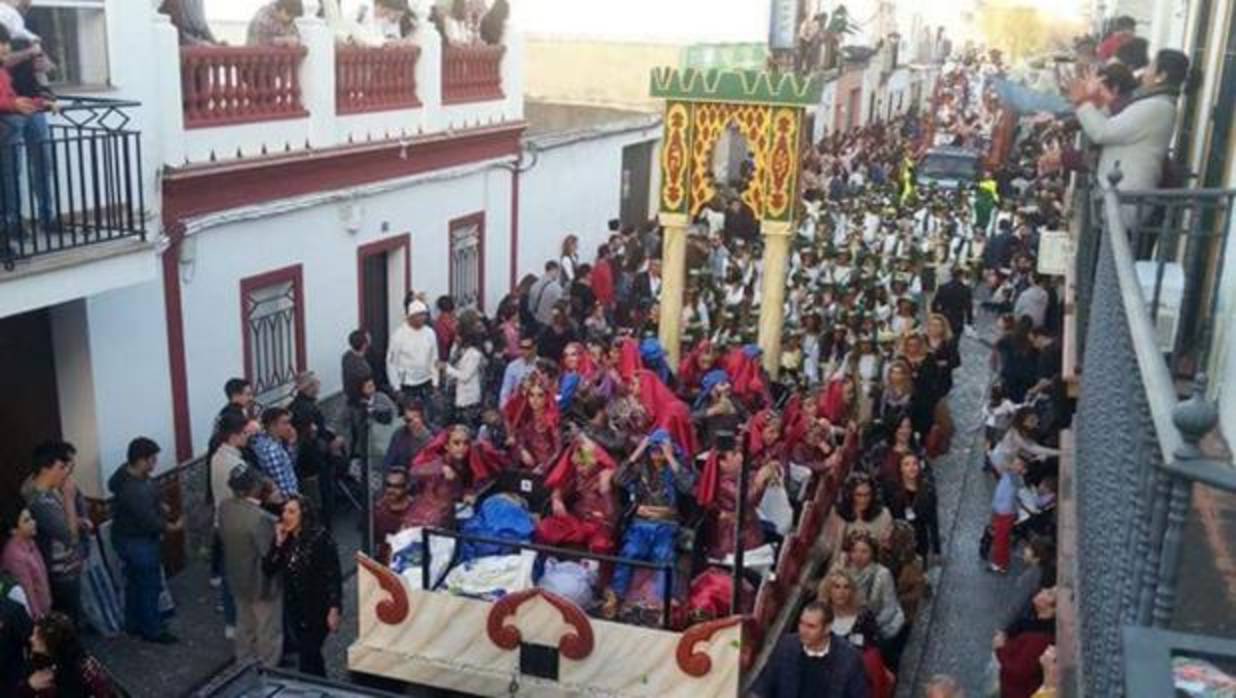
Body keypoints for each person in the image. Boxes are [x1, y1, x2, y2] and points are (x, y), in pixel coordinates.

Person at [1070, 49, 1189, 202]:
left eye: (1150, 67)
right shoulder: (1155, 103)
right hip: (1121, 195)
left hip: (1126, 198)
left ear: (1161, 76)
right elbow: (1112, 122)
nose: (1145, 72)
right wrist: (1093, 101)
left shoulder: (1156, 107)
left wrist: (1082, 102)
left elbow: (1102, 132)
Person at [604, 431, 696, 618]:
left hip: (666, 524)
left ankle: (661, 604)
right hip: (640, 524)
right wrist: (638, 451)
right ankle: (617, 595)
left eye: (660, 449)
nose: (656, 453)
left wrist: (670, 456)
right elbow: (619, 479)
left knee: (663, 555)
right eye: (653, 449)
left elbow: (687, 485)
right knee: (630, 551)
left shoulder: (675, 468)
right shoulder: (640, 469)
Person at [108, 438, 180, 644]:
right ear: (140, 461)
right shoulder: (133, 489)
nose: (154, 464)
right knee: (149, 585)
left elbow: (151, 496)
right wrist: (172, 527)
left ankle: (134, 624)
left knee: (135, 584)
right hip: (137, 542)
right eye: (152, 460)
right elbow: (149, 520)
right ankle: (152, 629)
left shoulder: (126, 474)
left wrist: (159, 504)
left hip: (126, 538)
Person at [263, 495, 342, 677]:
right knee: (309, 655)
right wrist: (278, 544)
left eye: (291, 511)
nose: (285, 516)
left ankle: (315, 687)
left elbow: (333, 574)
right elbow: (268, 569)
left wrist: (334, 607)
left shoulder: (320, 539)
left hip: (317, 607)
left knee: (309, 654)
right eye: (284, 511)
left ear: (303, 515)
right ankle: (317, 687)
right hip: (296, 608)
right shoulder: (286, 539)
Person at [218, 466, 282, 668]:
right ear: (254, 487)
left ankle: (244, 663)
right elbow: (269, 553)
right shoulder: (260, 518)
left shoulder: (225, 507)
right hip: (261, 582)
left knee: (244, 625)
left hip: (237, 577)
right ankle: (268, 670)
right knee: (267, 629)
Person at [750, 601, 869, 698]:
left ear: (827, 628)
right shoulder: (786, 646)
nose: (803, 631)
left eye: (811, 626)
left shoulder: (848, 658)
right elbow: (763, 686)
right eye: (801, 623)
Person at [24, 442, 84, 626]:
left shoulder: (41, 487)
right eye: (62, 466)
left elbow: (64, 522)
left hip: (65, 567)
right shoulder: (41, 502)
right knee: (68, 620)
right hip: (61, 571)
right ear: (45, 467)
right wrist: (68, 498)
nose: (66, 471)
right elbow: (71, 538)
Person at [17, 612, 115, 697]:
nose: (31, 639)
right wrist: (29, 686)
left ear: (51, 642)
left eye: (37, 636)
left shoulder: (85, 671)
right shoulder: (39, 662)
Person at [995, 588, 1057, 698]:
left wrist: (1000, 648)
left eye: (1049, 593)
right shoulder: (1032, 618)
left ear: (1052, 609)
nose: (1043, 590)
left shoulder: (1040, 640)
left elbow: (1017, 671)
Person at [387, 299, 440, 418]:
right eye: (420, 315)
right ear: (410, 316)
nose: (423, 318)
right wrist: (396, 388)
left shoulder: (430, 333)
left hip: (426, 382)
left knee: (428, 416)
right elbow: (391, 363)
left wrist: (436, 382)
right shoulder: (398, 335)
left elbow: (434, 358)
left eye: (424, 315)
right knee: (410, 417)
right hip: (407, 385)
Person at [2, 506, 49, 619]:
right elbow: (28, 592)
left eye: (32, 518)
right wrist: (38, 617)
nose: (33, 522)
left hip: (45, 606)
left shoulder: (29, 542)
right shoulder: (15, 556)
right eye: (26, 521)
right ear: (14, 530)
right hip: (38, 615)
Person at [252, 407, 299, 500]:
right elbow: (282, 484)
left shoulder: (275, 442)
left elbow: (287, 466)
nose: (289, 427)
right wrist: (294, 500)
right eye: (285, 423)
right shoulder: (272, 450)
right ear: (272, 426)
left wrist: (291, 444)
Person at [371, 468, 413, 563]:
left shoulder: (416, 510)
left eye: (397, 486)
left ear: (407, 487)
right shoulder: (378, 510)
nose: (391, 490)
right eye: (388, 485)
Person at [382, 399, 434, 472]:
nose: (411, 423)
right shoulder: (399, 435)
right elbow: (388, 463)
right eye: (408, 420)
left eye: (415, 418)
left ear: (422, 417)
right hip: (405, 476)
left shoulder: (435, 433)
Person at [931, 266, 973, 337]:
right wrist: (969, 321)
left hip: (944, 316)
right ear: (961, 276)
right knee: (955, 341)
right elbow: (969, 306)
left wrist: (937, 314)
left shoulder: (943, 287)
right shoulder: (966, 290)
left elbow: (934, 303)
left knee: (943, 339)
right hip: (957, 318)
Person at [499, 335, 538, 407]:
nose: (524, 351)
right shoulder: (512, 366)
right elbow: (505, 391)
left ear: (534, 348)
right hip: (517, 406)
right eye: (522, 347)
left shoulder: (541, 365)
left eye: (527, 348)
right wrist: (503, 408)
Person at [528, 261, 563, 330]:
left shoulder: (534, 285)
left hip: (536, 323)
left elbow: (530, 308)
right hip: (549, 325)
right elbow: (561, 307)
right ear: (554, 270)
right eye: (558, 272)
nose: (558, 275)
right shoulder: (556, 288)